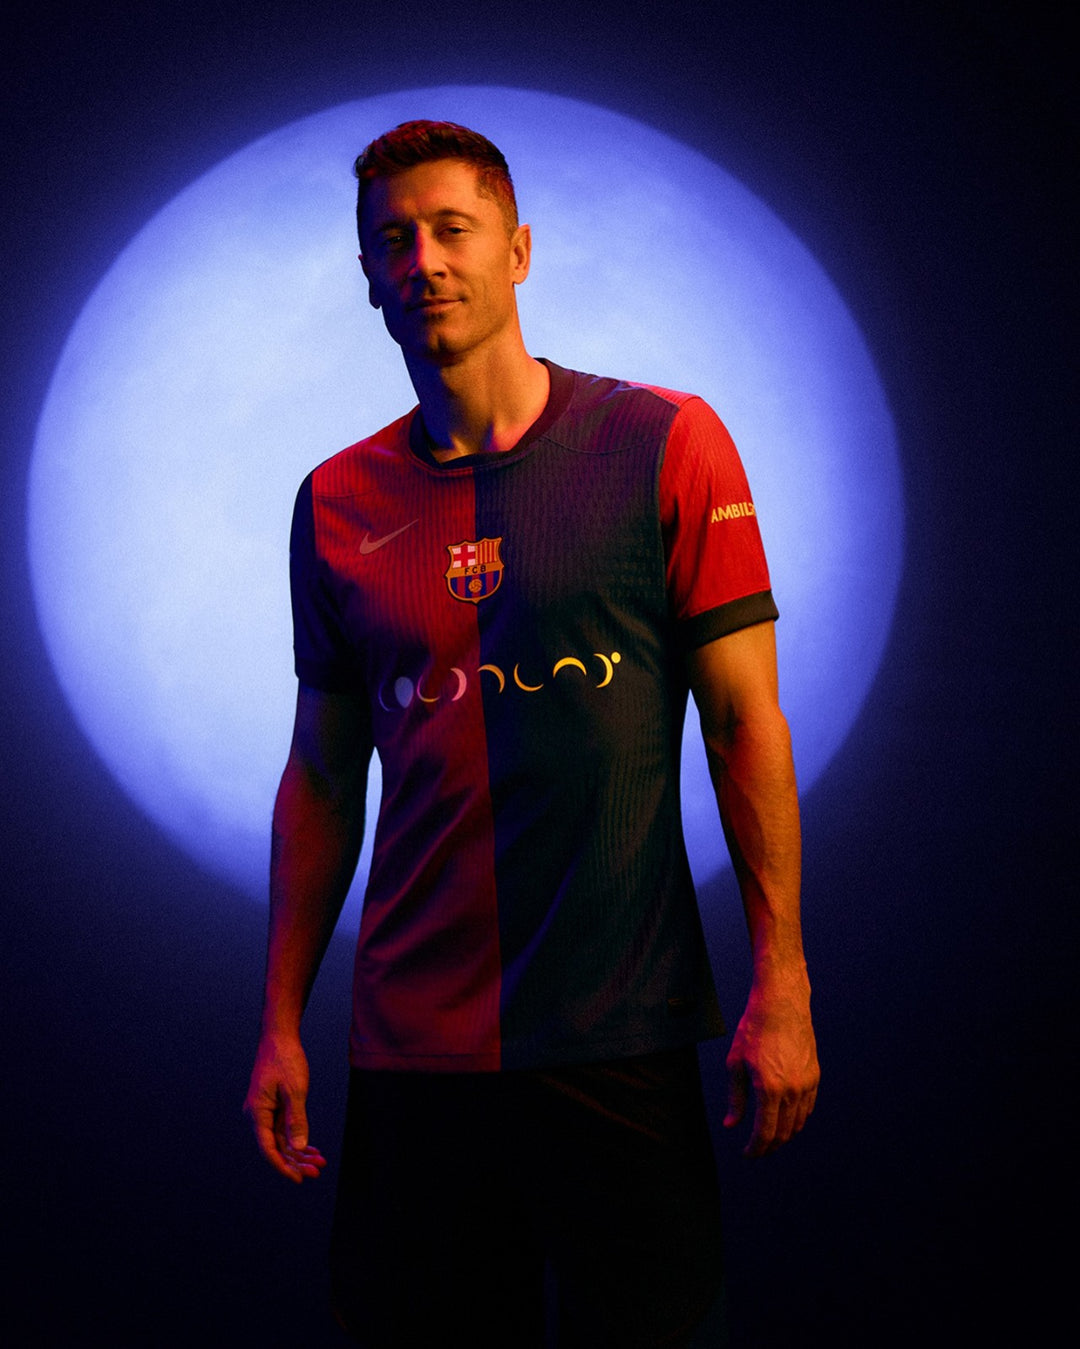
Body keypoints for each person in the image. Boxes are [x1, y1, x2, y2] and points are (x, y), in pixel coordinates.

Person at [244, 119, 819, 1348]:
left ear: (517, 249)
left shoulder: (663, 441)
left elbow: (742, 721)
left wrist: (783, 982)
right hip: (414, 1051)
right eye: (393, 240)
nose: (424, 261)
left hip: (618, 1027)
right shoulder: (334, 501)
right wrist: (281, 1019)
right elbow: (322, 777)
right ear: (367, 275)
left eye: (452, 229)